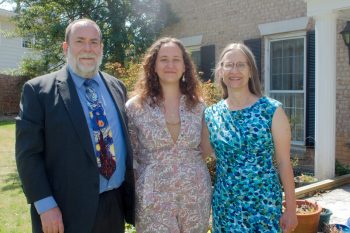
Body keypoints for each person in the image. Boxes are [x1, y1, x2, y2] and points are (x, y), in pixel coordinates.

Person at [15, 18, 135, 233]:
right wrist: (45, 205)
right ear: (66, 47)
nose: (88, 49)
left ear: (101, 47)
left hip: (114, 206)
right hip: (65, 210)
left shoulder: (117, 86)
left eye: (94, 42)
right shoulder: (38, 91)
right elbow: (28, 155)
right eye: (80, 41)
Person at [204, 43, 298, 232]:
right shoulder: (211, 114)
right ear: (221, 71)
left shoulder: (271, 110)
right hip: (226, 205)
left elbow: (283, 162)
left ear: (250, 71)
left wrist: (291, 209)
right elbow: (201, 152)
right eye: (229, 65)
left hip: (263, 205)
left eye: (241, 65)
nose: (234, 70)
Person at [125, 37, 212, 233]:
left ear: (184, 67)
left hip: (195, 193)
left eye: (176, 60)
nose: (170, 65)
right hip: (153, 198)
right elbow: (131, 155)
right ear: (153, 66)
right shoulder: (135, 108)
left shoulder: (199, 106)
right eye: (164, 59)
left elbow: (206, 150)